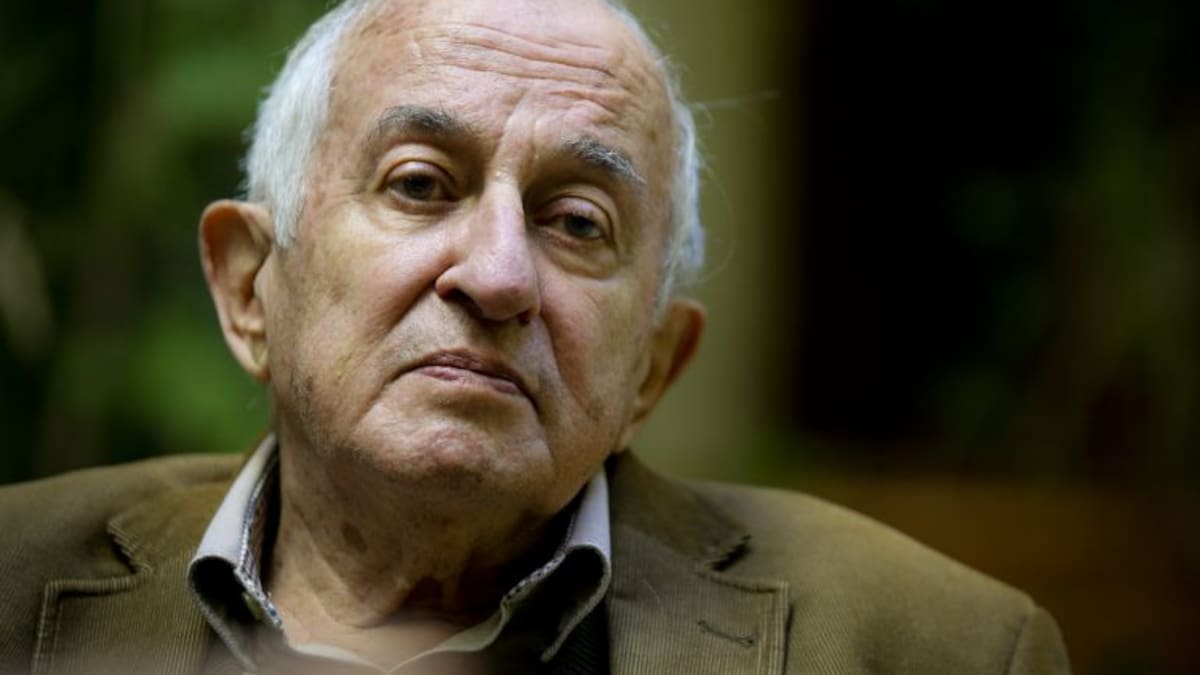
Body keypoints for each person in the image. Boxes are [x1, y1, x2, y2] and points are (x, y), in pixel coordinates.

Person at [0, 0, 1071, 673]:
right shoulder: (14, 576)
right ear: (250, 289)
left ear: (651, 368)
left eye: (577, 223)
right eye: (421, 185)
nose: (500, 274)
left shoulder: (940, 648)